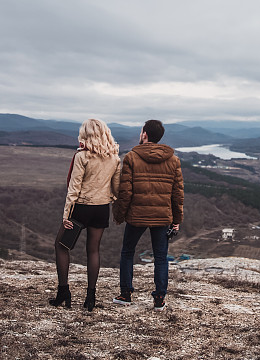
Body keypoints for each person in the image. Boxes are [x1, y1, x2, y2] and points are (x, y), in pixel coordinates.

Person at [50, 118, 121, 312]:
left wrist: (66, 215)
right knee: (93, 251)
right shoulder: (114, 157)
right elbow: (116, 187)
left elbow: (74, 189)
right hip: (101, 208)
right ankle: (90, 297)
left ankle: (63, 292)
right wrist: (109, 198)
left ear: (86, 134)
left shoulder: (82, 156)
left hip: (80, 208)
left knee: (61, 246)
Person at [112, 119, 184, 311]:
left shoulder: (131, 157)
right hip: (162, 217)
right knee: (161, 257)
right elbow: (177, 194)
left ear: (144, 135)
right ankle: (159, 298)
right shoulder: (173, 160)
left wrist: (119, 215)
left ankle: (126, 294)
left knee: (128, 252)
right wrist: (176, 221)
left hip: (137, 215)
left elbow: (125, 192)